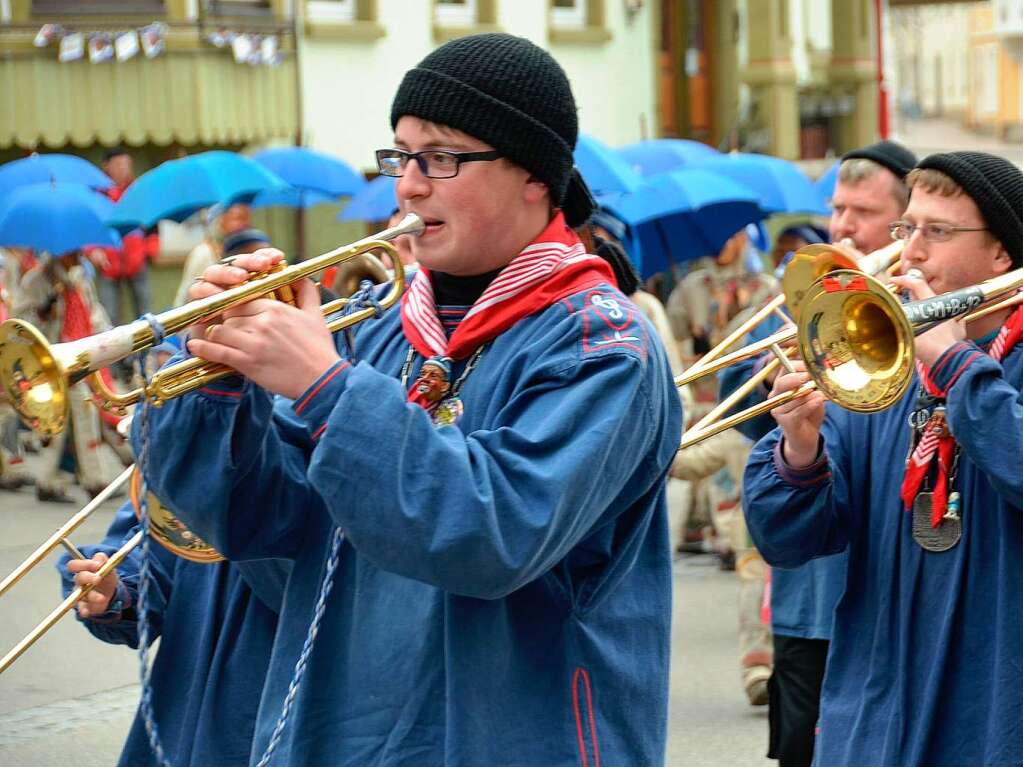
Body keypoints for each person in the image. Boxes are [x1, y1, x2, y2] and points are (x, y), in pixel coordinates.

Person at [135, 33, 681, 766]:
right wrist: (223, 386)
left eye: (442, 158)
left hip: (517, 737)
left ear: (533, 177)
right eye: (401, 155)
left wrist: (326, 387)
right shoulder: (380, 325)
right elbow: (264, 528)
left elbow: (496, 531)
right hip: (344, 730)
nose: (409, 185)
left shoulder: (603, 344)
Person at [743, 150, 1023, 767]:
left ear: (1002, 254)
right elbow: (787, 541)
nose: (911, 253)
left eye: (938, 232)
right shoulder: (880, 366)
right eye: (907, 229)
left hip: (995, 712)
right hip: (877, 714)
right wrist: (799, 446)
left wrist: (956, 365)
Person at [720, 139, 916, 766]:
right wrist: (792, 343)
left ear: (902, 225)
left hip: (883, 592)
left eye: (862, 212)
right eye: (838, 209)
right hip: (806, 595)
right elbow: (741, 411)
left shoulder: (927, 314)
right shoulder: (808, 295)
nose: (843, 226)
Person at [60, 500, 287, 767]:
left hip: (293, 665)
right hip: (191, 687)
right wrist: (115, 589)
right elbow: (154, 547)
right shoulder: (198, 460)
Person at [13, 250, 113, 501]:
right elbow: (21, 322)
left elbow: (93, 311)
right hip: (49, 359)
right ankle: (90, 479)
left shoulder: (78, 277)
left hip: (78, 355)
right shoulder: (35, 281)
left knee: (82, 413)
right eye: (73, 253)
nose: (79, 257)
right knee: (60, 418)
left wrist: (109, 338)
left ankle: (83, 479)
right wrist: (43, 313)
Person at [89, 147, 159, 324]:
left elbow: (151, 222)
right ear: (107, 166)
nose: (123, 168)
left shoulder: (137, 191)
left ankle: (150, 350)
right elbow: (90, 225)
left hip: (136, 256)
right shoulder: (98, 193)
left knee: (145, 310)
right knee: (109, 313)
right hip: (108, 260)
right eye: (119, 164)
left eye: (127, 164)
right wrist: (92, 251)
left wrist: (152, 248)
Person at [173, 203, 252, 306]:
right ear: (221, 220)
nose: (246, 224)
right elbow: (187, 297)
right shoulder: (203, 253)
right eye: (239, 218)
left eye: (247, 218)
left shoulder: (241, 248)